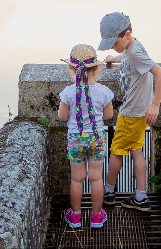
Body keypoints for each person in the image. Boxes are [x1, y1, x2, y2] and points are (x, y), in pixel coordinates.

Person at [97, 12, 161, 212]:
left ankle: (108, 193)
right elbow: (127, 56)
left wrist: (156, 105)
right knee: (136, 150)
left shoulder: (135, 52)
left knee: (116, 151)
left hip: (131, 113)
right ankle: (141, 196)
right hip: (136, 112)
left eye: (114, 43)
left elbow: (160, 74)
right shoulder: (131, 47)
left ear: (127, 35)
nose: (112, 46)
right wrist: (114, 57)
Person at [58, 44, 115, 229]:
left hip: (76, 138)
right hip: (96, 138)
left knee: (77, 179)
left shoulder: (68, 92)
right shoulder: (104, 91)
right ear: (96, 68)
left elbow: (61, 116)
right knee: (96, 178)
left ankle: (75, 217)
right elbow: (108, 116)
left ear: (72, 68)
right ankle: (96, 217)